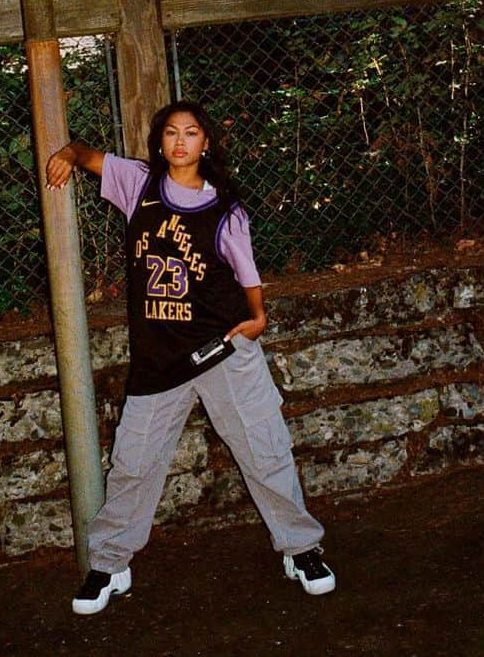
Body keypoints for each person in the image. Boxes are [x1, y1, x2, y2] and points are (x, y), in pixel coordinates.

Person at [46, 99, 336, 615]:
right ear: (160, 142)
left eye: (193, 133)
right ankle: (111, 564)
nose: (181, 141)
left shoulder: (226, 207)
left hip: (222, 347)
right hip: (160, 358)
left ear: (206, 144)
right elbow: (90, 156)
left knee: (264, 448)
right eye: (173, 133)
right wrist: (68, 152)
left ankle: (301, 549)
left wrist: (258, 318)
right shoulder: (139, 184)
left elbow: (247, 273)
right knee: (133, 465)